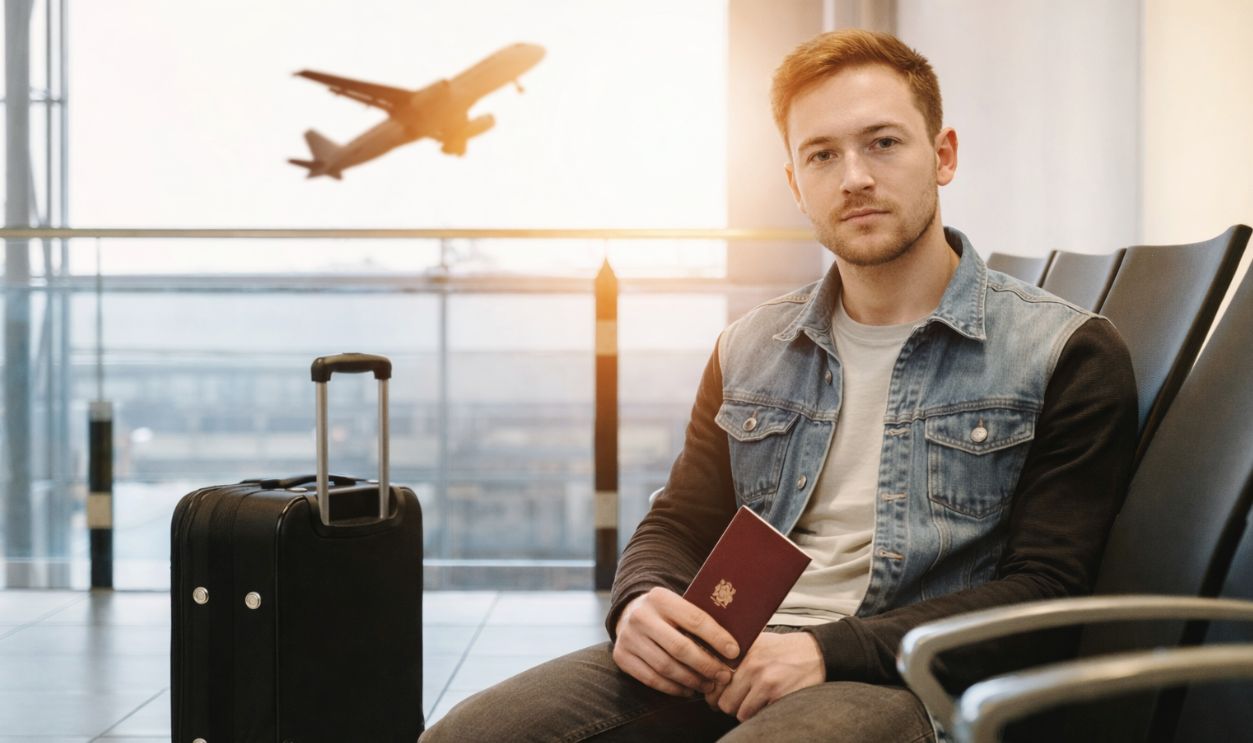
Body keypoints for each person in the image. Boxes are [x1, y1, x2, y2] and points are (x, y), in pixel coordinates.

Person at [421, 28, 1137, 742]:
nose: (853, 177)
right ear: (796, 185)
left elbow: (1046, 591)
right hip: (727, 648)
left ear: (942, 155)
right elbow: (679, 519)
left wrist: (826, 651)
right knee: (469, 734)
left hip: (899, 679)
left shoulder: (1061, 351)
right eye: (822, 155)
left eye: (882, 143)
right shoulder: (748, 347)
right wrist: (638, 598)